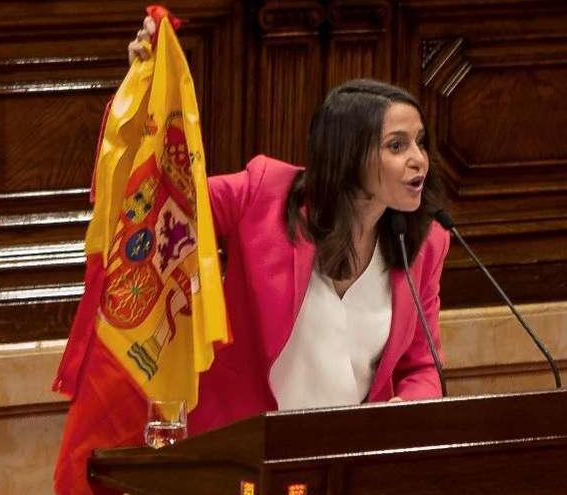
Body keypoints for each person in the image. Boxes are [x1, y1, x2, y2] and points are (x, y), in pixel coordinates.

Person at [128, 18, 449, 435]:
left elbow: (422, 367)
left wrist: (394, 417)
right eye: (396, 145)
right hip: (241, 452)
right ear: (347, 153)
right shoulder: (263, 194)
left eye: (420, 142)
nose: (419, 159)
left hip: (342, 460)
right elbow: (162, 201)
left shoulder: (425, 242)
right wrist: (143, 104)